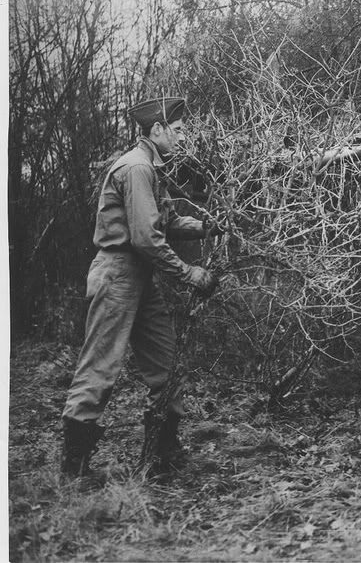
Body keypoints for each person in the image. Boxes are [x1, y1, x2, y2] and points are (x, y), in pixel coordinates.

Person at [61, 97, 222, 477]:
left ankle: (162, 456)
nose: (183, 138)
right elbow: (147, 240)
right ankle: (74, 470)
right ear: (157, 131)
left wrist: (205, 227)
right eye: (178, 131)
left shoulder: (148, 167)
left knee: (167, 367)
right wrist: (188, 273)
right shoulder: (136, 169)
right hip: (118, 275)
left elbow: (163, 221)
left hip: (139, 278)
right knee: (99, 369)